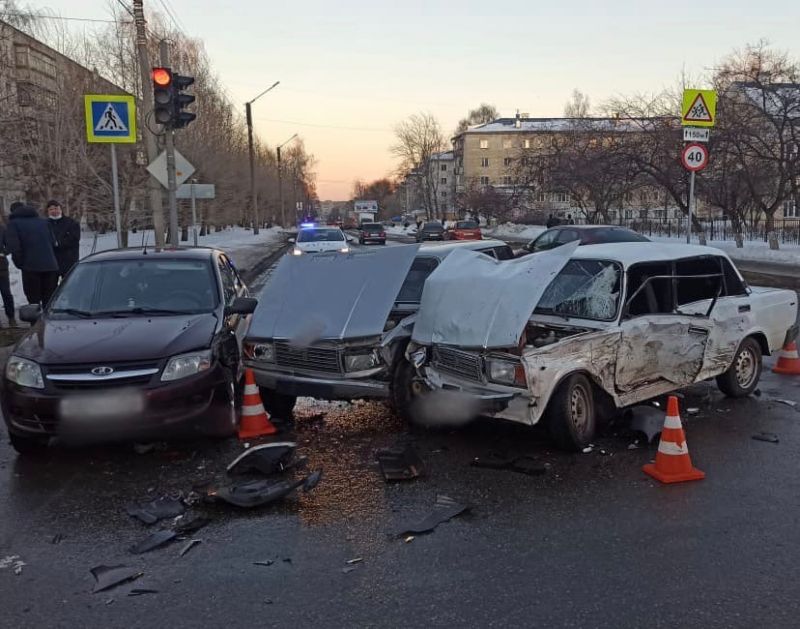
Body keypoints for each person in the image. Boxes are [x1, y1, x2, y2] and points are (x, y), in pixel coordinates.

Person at [5, 202, 59, 306]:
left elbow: (14, 247)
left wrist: (20, 264)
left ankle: (35, 322)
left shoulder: (14, 224)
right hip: (50, 266)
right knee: (49, 300)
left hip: (31, 267)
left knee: (33, 301)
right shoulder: (44, 222)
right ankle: (48, 321)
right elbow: (53, 242)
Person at [46, 200, 80, 280]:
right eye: (51, 209)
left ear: (61, 209)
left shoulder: (71, 222)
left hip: (69, 261)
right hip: (51, 263)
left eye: (56, 208)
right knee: (51, 289)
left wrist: (58, 243)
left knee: (70, 286)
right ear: (47, 211)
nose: (54, 211)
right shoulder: (44, 224)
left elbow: (75, 238)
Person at [0, 219, 16, 326]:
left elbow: (10, 245)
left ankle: (11, 318)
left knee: (6, 293)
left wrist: (3, 253)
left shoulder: (2, 229)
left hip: (1, 266)